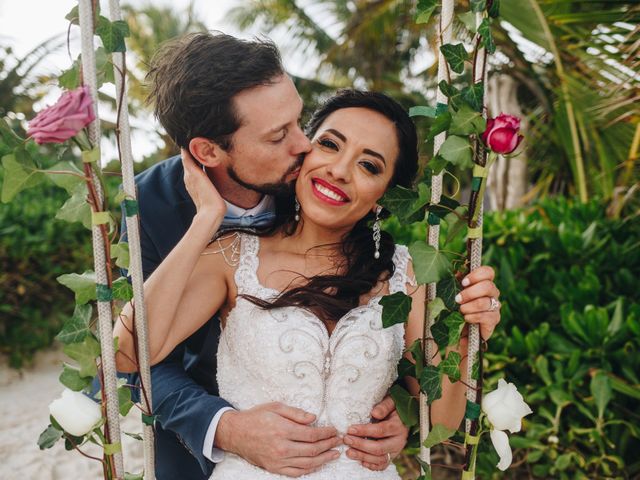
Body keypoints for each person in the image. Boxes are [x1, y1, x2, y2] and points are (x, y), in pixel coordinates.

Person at [115, 89, 501, 479]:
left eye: (369, 166)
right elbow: (128, 354)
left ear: (383, 196)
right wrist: (206, 220)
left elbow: (443, 420)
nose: (339, 170)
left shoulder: (406, 274)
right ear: (303, 154)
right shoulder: (231, 257)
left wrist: (467, 331)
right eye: (330, 145)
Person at [122, 32, 412, 479]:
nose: (304, 145)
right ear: (208, 152)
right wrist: (227, 428)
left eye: (301, 122)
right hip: (203, 445)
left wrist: (397, 415)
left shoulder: (322, 187)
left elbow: (381, 333)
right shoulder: (146, 206)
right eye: (279, 135)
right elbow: (132, 358)